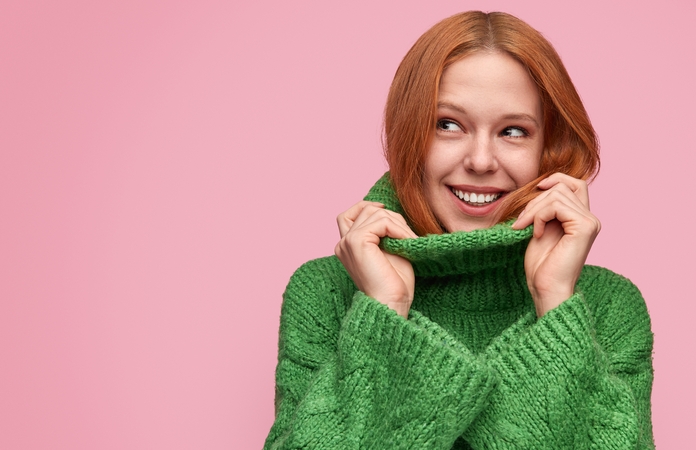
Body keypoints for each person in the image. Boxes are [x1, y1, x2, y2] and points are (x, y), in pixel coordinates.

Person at [264, 11, 654, 450]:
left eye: (513, 131)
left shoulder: (608, 307)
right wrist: (385, 310)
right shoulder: (325, 294)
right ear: (408, 131)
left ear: (550, 146)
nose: (482, 161)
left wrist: (554, 303)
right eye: (448, 124)